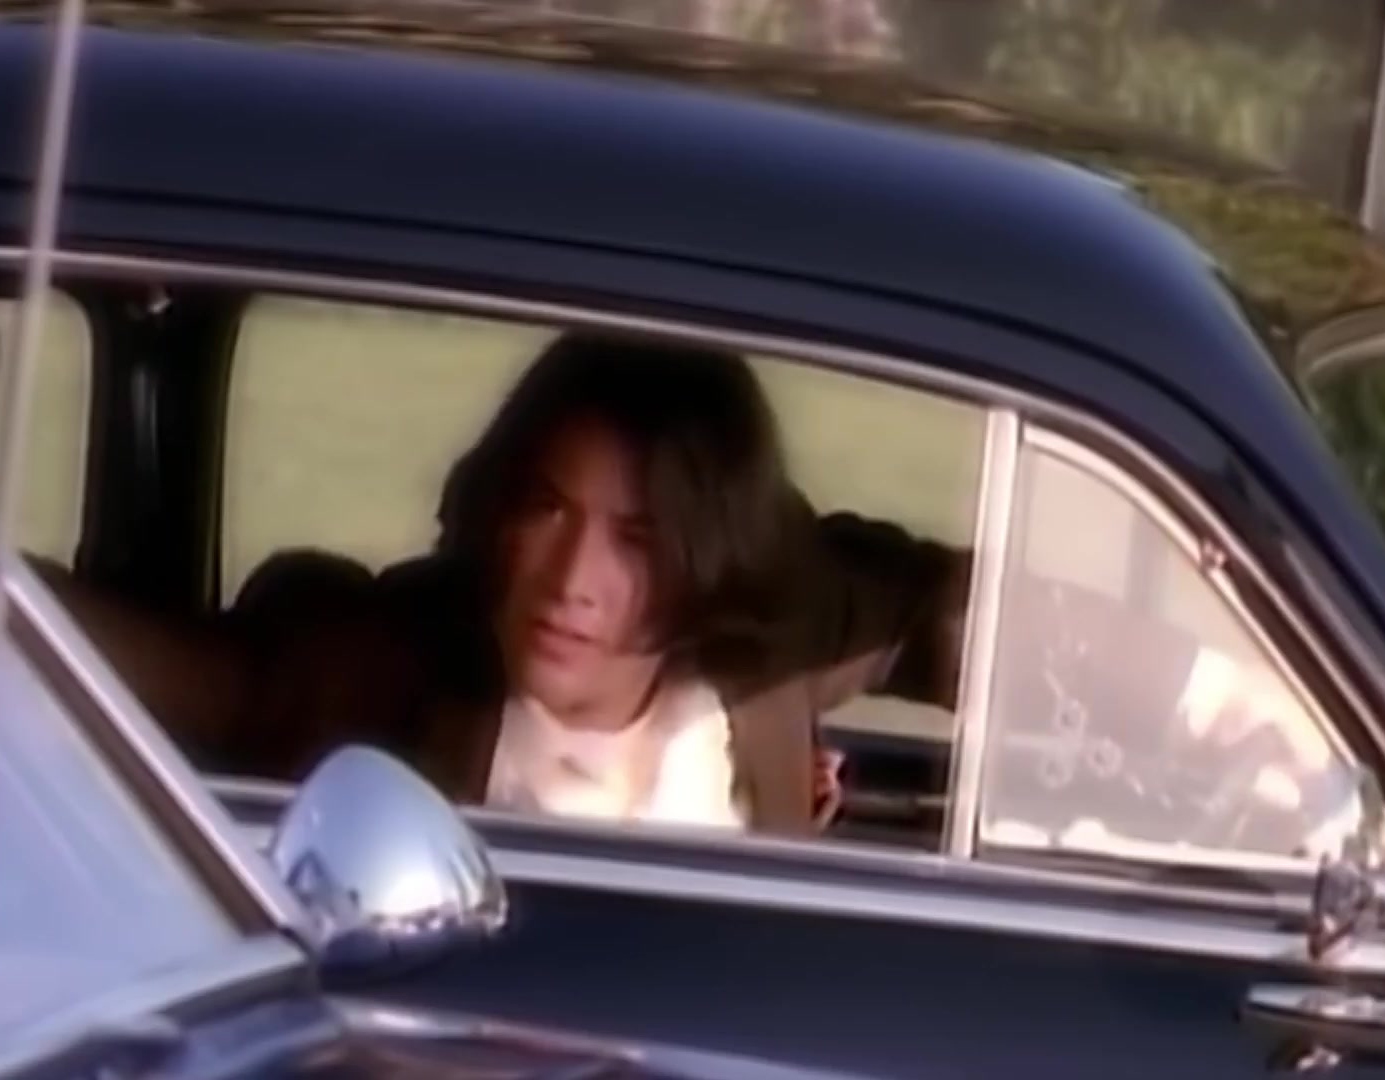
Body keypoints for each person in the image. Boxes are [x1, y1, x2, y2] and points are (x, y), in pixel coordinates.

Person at [226, 331, 975, 835]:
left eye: (637, 540)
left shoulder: (773, 648)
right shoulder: (387, 669)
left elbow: (964, 620)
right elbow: (191, 682)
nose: (571, 582)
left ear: (705, 556)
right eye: (547, 508)